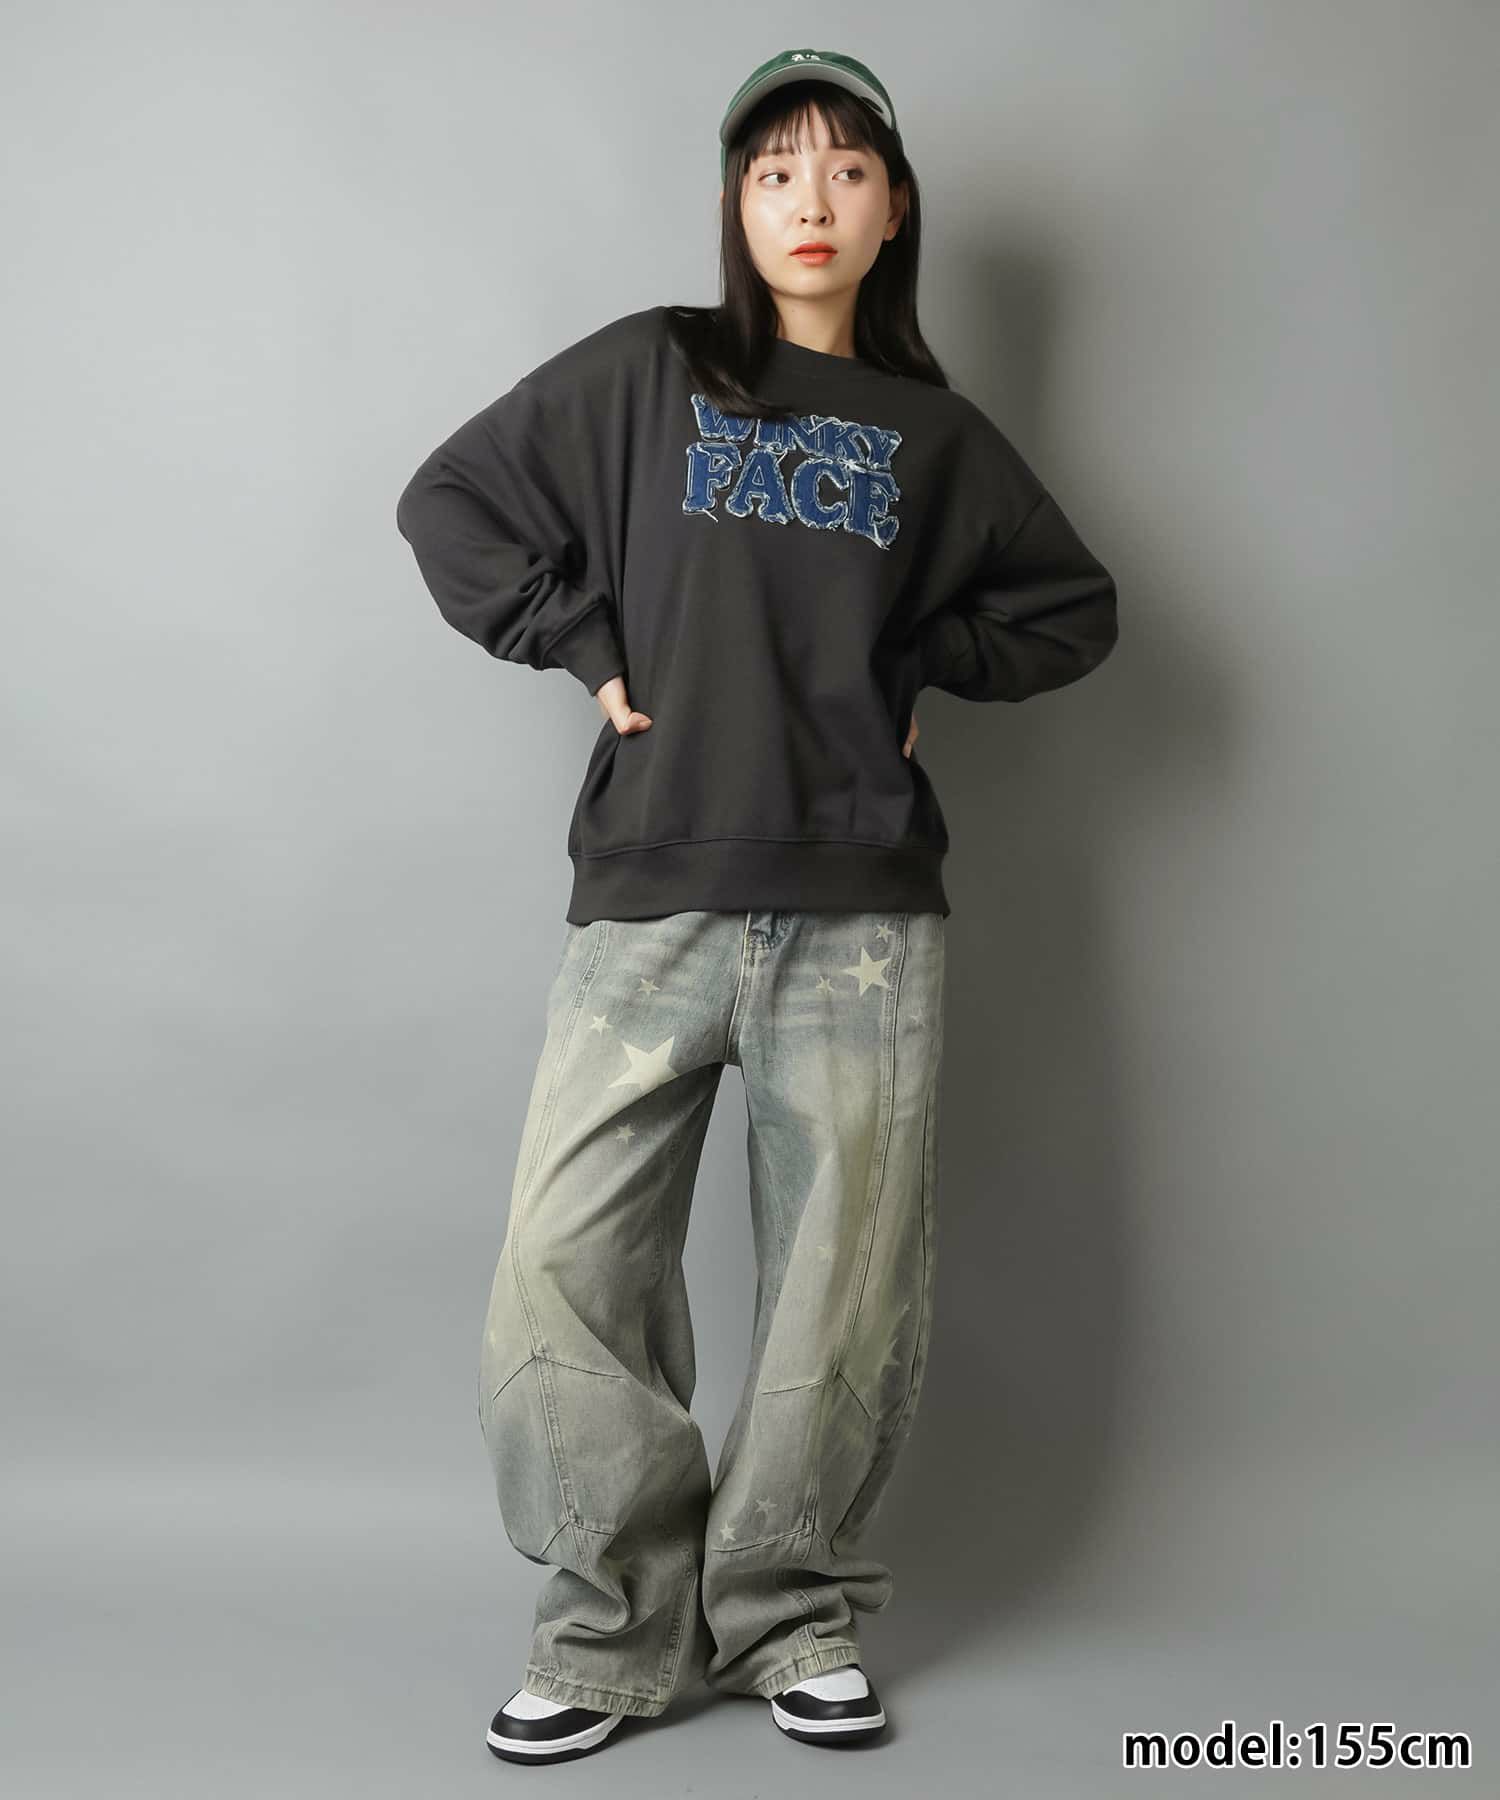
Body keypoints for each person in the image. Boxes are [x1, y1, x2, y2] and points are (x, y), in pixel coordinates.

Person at [395, 47, 1118, 1765]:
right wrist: (580, 642)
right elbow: (452, 500)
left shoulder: (936, 438)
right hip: (654, 891)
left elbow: (1071, 610)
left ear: (895, 209)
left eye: (847, 170)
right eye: (777, 169)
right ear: (736, 202)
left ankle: (791, 1618)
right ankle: (610, 1631)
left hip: (861, 917)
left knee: (838, 1294)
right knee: (564, 1270)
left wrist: (926, 656)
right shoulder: (654, 369)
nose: (811, 200)